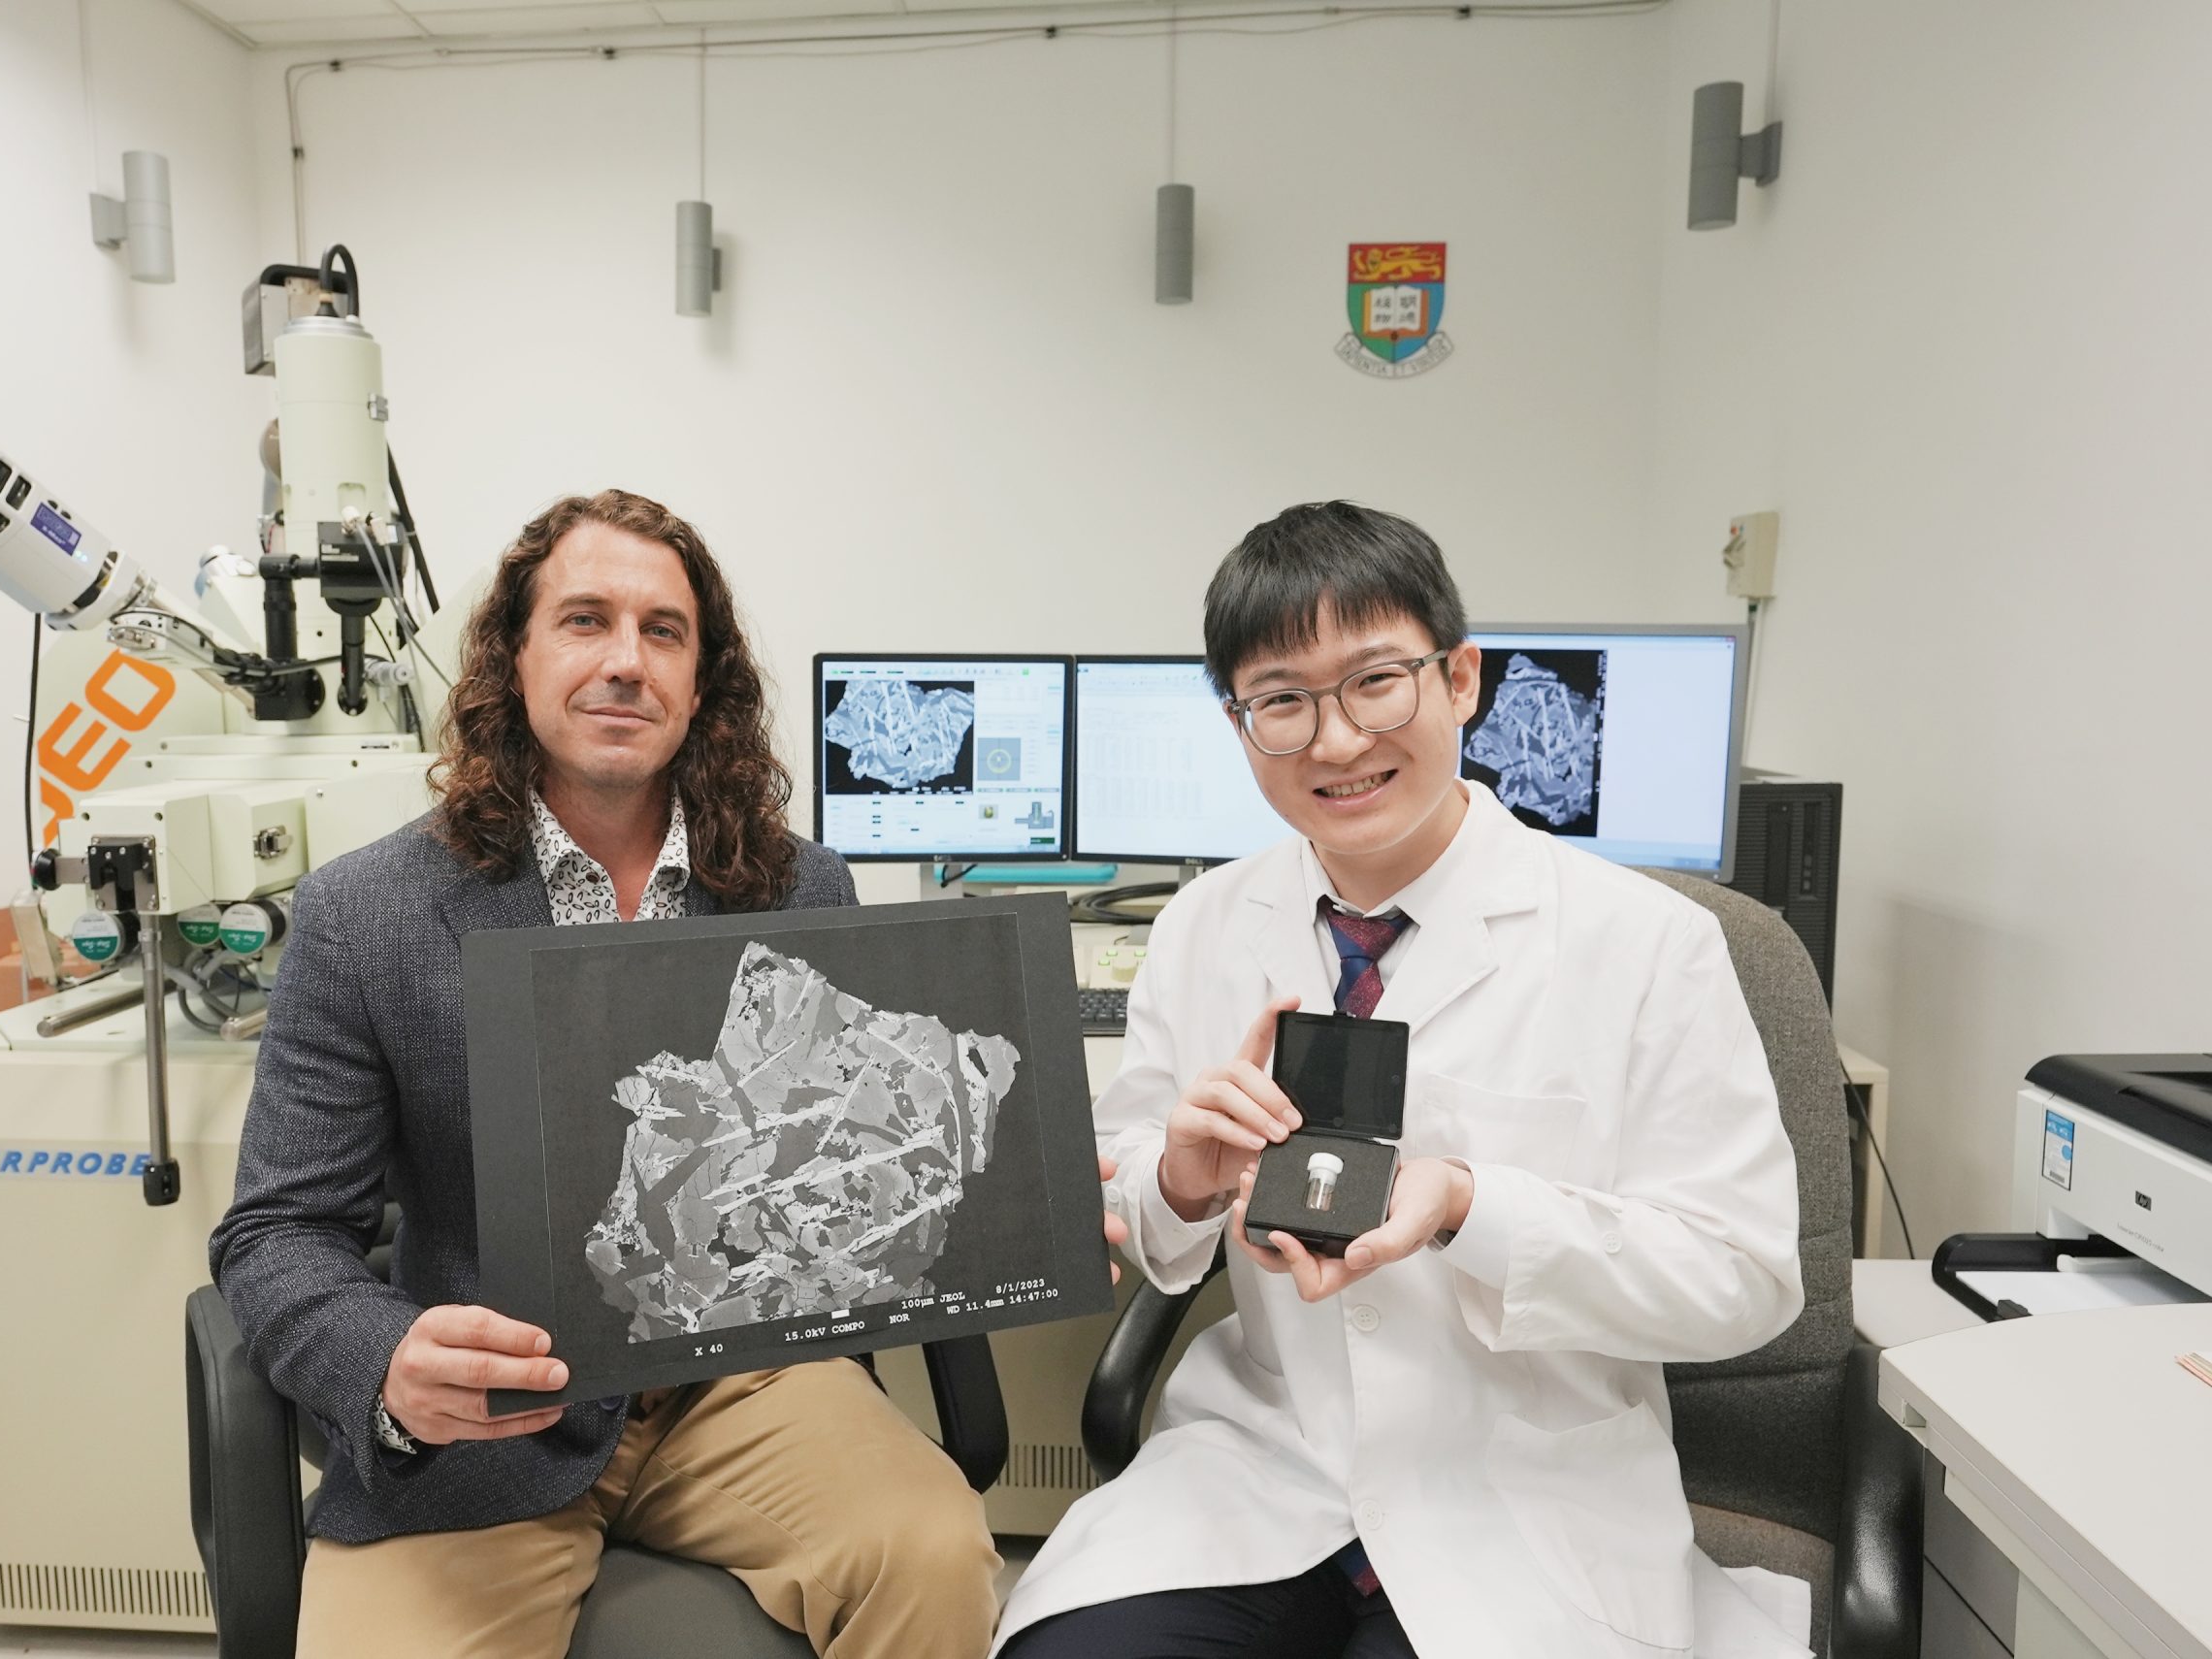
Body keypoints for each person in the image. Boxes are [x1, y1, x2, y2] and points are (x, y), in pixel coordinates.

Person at [999, 503, 1809, 1659]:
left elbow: (1742, 1281)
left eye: (1375, 681)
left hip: (1522, 1495)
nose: (1334, 742)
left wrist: (1470, 1205)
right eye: (1282, 701)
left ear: (1460, 678)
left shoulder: (1646, 944)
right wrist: (1177, 1180)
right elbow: (1138, 1198)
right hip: (1264, 1468)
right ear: (1239, 725)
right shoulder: (1201, 925)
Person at [210, 490, 1003, 1658]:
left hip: (740, 1389)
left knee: (934, 1554)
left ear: (701, 681)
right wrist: (386, 1363)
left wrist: (987, 1189)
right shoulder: (365, 915)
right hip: (491, 1416)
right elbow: (276, 1230)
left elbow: (848, 1150)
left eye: (662, 631)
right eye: (585, 620)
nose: (625, 660)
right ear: (515, 658)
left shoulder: (799, 890)